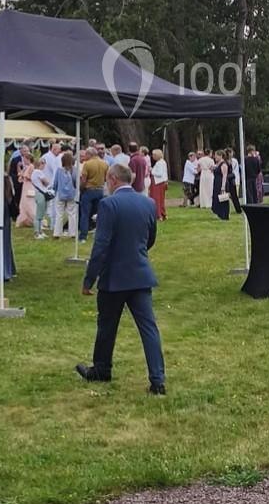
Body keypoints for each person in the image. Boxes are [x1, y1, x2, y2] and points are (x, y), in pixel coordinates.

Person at [76, 163, 166, 395]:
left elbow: (101, 245)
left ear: (113, 180)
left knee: (106, 325)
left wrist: (89, 280)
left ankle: (102, 368)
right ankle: (158, 380)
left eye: (107, 180)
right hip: (139, 273)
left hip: (114, 277)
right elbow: (150, 237)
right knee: (149, 328)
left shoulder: (108, 205)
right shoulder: (148, 203)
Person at [78, 147, 109, 244]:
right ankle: (98, 233)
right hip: (100, 190)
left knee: (85, 214)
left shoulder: (87, 164)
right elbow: (106, 178)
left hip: (89, 190)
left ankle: (83, 236)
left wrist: (81, 188)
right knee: (98, 214)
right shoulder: (105, 163)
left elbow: (83, 179)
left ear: (89, 154)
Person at [53, 151, 78, 238]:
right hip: (71, 194)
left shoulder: (59, 170)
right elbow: (76, 182)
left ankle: (57, 233)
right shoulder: (74, 170)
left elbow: (55, 183)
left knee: (59, 214)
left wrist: (54, 190)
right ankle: (73, 233)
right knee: (72, 214)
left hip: (61, 194)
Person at [209, 151, 230, 221]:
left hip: (222, 183)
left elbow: (224, 176)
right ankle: (219, 213)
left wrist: (223, 186)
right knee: (217, 199)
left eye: (216, 155)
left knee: (223, 199)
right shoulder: (217, 164)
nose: (215, 157)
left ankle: (224, 215)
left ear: (221, 156)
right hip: (216, 183)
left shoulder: (224, 164)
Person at [148, 149, 168, 220]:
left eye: (154, 155)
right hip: (161, 182)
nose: (153, 156)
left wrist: (151, 170)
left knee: (157, 199)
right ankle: (163, 213)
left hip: (157, 183)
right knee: (160, 199)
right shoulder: (162, 162)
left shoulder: (159, 163)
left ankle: (158, 215)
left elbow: (159, 174)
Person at [225, 148, 243, 214]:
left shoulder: (234, 161)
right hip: (228, 179)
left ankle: (238, 209)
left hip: (232, 179)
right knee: (227, 195)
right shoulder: (226, 161)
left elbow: (236, 171)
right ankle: (226, 209)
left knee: (234, 195)